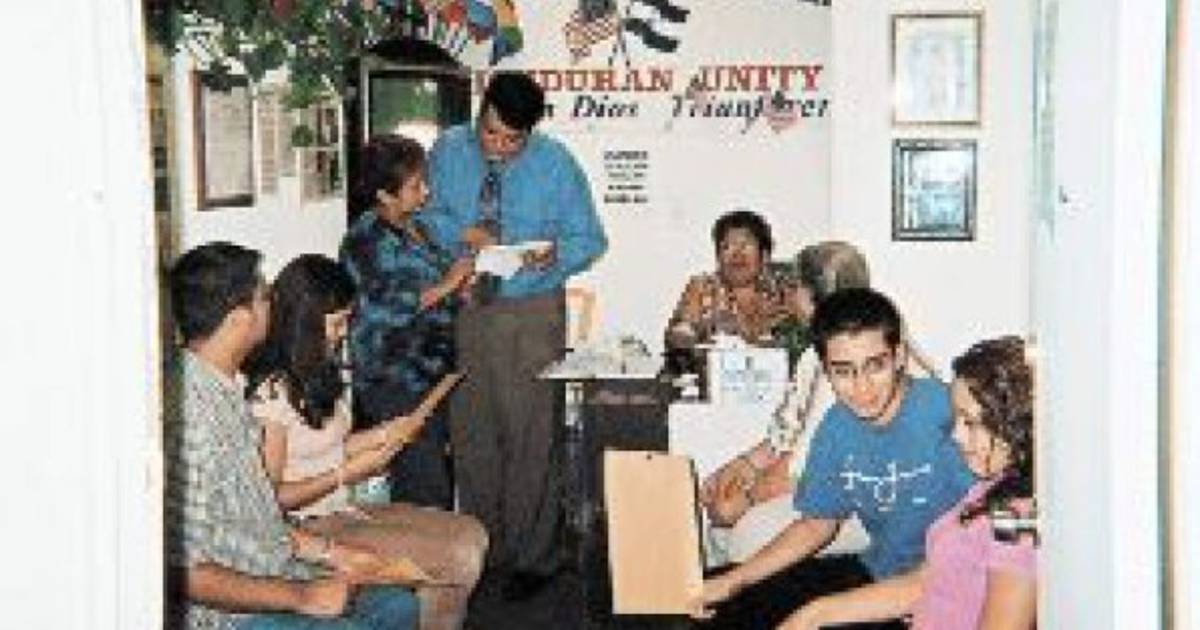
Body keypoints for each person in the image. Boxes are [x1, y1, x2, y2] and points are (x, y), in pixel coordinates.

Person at [418, 71, 608, 599]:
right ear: (480, 111)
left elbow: (589, 239)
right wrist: (462, 233)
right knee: (472, 434)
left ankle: (532, 559)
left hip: (531, 309)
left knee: (531, 435)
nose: (499, 147)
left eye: (512, 140)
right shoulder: (448, 150)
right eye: (491, 133)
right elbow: (424, 215)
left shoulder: (555, 163)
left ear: (531, 132)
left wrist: (551, 256)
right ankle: (484, 550)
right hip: (464, 308)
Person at [163, 241, 418, 630]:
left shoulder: (228, 387)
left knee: (398, 606)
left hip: (278, 569)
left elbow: (258, 520)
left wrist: (334, 552)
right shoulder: (190, 417)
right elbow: (183, 572)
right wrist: (303, 596)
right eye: (264, 298)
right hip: (236, 615)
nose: (274, 306)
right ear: (239, 319)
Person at [695, 287, 974, 629]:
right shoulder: (836, 426)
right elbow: (817, 525)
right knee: (717, 600)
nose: (862, 387)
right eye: (843, 371)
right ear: (825, 369)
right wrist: (733, 581)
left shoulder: (946, 412)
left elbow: (981, 534)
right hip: (879, 573)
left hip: (945, 587)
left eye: (875, 366)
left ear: (899, 356)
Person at [244, 254, 488, 630]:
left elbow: (329, 447)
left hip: (343, 510)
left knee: (472, 533)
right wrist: (345, 475)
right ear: (306, 322)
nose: (344, 333)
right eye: (337, 322)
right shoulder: (272, 393)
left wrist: (387, 432)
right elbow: (271, 499)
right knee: (458, 555)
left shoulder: (316, 372)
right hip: (308, 528)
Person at [701, 241, 942, 562]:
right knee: (720, 524)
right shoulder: (816, 354)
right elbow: (785, 434)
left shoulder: (850, 362)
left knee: (746, 535)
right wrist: (738, 466)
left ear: (812, 294)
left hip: (872, 497)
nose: (789, 296)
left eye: (795, 287)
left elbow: (801, 467)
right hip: (826, 485)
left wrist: (743, 501)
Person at [780, 336, 1037, 630]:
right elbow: (925, 582)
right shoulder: (990, 489)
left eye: (969, 422)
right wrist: (813, 614)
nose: (956, 435)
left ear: (1013, 423)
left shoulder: (1018, 518)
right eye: (956, 419)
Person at [340, 134, 475, 509]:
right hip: (395, 379)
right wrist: (448, 284)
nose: (425, 192)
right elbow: (385, 307)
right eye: (415, 186)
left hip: (433, 373)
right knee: (423, 487)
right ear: (385, 195)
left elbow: (436, 285)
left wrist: (459, 288)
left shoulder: (417, 227)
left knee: (433, 476)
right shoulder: (365, 239)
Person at [663, 209, 791, 377]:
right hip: (711, 381)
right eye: (726, 247)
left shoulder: (784, 291)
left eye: (745, 245)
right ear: (718, 256)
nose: (736, 254)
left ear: (765, 254)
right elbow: (681, 332)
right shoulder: (702, 287)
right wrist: (692, 334)